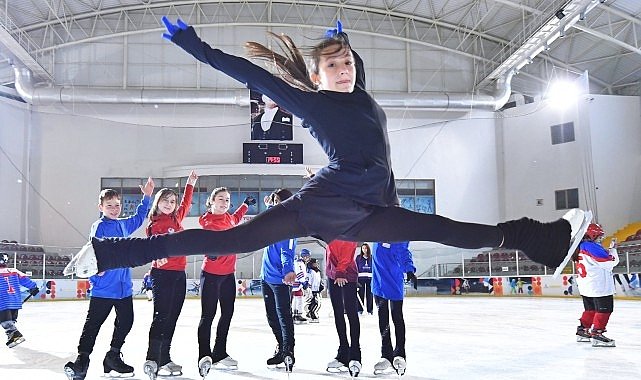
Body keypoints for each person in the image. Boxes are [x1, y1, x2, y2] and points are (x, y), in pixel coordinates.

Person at [66, 18, 589, 336]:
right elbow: (250, 73)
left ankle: (539, 239)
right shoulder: (312, 102)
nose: (344, 70)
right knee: (230, 238)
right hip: (327, 202)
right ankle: (111, 253)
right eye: (334, 66)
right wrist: (194, 46)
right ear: (316, 78)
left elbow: (353, 67)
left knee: (442, 227)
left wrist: (343, 41)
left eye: (347, 63)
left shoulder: (362, 94)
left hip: (369, 209)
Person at [64, 178, 154, 380]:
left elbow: (140, 217)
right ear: (101, 207)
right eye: (109, 205)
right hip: (104, 288)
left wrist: (147, 197)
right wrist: (97, 274)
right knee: (93, 325)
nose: (114, 209)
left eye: (117, 205)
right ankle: (82, 361)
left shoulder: (123, 225)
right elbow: (93, 251)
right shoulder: (99, 227)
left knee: (126, 321)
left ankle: (112, 357)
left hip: (123, 288)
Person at [142, 170, 197, 378]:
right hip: (162, 275)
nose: (170, 204)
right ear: (157, 202)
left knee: (172, 318)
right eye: (165, 200)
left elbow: (186, 204)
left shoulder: (177, 218)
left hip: (179, 274)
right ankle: (152, 358)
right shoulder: (155, 224)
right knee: (161, 317)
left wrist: (190, 184)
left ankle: (164, 357)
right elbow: (152, 247)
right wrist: (158, 256)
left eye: (172, 201)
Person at [196, 187, 255, 377]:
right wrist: (210, 250)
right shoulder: (207, 221)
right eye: (220, 199)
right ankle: (204, 354)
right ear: (212, 201)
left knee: (227, 314)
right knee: (208, 316)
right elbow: (206, 237)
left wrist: (245, 205)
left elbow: (236, 218)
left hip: (229, 275)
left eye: (227, 200)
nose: (224, 203)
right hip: (211, 275)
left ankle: (219, 352)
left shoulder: (229, 218)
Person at [260, 188, 297, 371]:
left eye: (278, 201)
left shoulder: (288, 225)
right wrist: (269, 204)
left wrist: (288, 270)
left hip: (280, 279)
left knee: (283, 316)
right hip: (265, 277)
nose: (275, 205)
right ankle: (281, 347)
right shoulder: (272, 219)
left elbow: (287, 251)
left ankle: (288, 351)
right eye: (274, 201)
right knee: (271, 317)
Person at [371, 242, 417, 376]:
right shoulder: (375, 231)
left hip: (395, 279)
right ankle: (386, 354)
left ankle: (400, 353)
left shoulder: (399, 230)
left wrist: (409, 269)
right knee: (383, 318)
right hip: (378, 281)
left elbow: (404, 252)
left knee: (397, 317)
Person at [573, 223, 619, 347]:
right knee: (605, 309)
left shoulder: (579, 246)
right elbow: (610, 262)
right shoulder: (590, 246)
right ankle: (597, 333)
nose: (600, 239)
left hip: (586, 285)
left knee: (590, 309)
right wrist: (613, 249)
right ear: (591, 235)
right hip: (598, 285)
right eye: (598, 236)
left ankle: (582, 331)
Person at [325, 239, 361, 376]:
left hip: (346, 273)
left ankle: (355, 355)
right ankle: (343, 353)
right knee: (338, 314)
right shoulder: (327, 224)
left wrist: (340, 271)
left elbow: (349, 245)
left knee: (351, 313)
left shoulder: (346, 221)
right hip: (332, 273)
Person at [0, 252, 39, 348]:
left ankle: (14, 334)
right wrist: (33, 288)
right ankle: (12, 335)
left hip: (3, 301)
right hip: (15, 302)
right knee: (10, 320)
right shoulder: (13, 270)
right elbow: (27, 281)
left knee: (6, 322)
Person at [292, 249, 311, 324]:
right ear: (304, 256)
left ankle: (295, 314)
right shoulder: (299, 263)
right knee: (299, 299)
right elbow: (300, 273)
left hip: (297, 283)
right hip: (297, 284)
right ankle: (298, 314)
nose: (308, 258)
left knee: (296, 299)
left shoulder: (299, 262)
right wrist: (303, 282)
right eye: (308, 256)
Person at [355, 243, 373, 315]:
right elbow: (356, 268)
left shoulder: (372, 257)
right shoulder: (358, 258)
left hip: (370, 278)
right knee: (360, 294)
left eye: (365, 248)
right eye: (363, 248)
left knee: (370, 294)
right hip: (360, 278)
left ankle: (370, 310)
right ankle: (360, 310)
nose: (364, 250)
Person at [305, 257, 323, 322]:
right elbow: (308, 279)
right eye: (315, 263)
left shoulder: (317, 271)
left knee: (317, 303)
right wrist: (308, 288)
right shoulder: (310, 271)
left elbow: (319, 279)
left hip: (317, 289)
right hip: (312, 289)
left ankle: (311, 313)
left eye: (317, 263)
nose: (316, 264)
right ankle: (311, 314)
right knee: (314, 303)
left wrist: (321, 285)